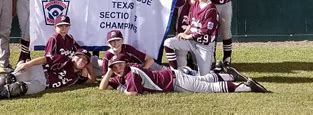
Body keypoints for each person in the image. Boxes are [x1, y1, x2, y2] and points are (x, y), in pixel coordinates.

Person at [0, 49, 96, 104]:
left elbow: (92, 80)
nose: (81, 61)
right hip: (38, 70)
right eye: (80, 58)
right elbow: (44, 60)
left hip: (43, 85)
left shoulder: (76, 78)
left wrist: (88, 67)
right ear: (74, 57)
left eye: (85, 61)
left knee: (17, 89)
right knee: (8, 79)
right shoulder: (64, 59)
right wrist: (29, 64)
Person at [99, 53, 268, 95]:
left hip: (174, 82)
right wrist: (108, 71)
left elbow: (134, 93)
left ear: (125, 64)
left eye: (120, 64)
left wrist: (122, 90)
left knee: (208, 88)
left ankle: (245, 87)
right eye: (115, 67)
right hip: (172, 76)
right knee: (203, 79)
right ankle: (229, 75)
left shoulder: (131, 74)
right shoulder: (122, 73)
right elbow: (102, 87)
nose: (118, 68)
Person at [163, 0, 218, 75]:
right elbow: (191, 23)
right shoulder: (195, 4)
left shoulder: (211, 9)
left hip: (203, 45)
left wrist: (188, 36)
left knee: (204, 78)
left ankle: (227, 76)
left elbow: (205, 31)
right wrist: (185, 33)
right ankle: (175, 73)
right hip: (191, 42)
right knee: (168, 42)